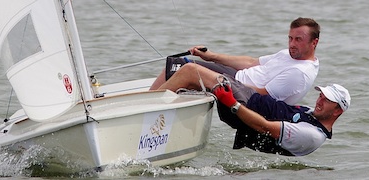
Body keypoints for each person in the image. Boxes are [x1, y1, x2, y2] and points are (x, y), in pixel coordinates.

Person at [150, 17, 320, 105]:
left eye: (298, 39)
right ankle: (150, 101)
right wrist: (211, 56)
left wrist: (221, 81)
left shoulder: (299, 73)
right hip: (237, 78)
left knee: (188, 69)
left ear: (314, 42)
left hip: (248, 94)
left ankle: (149, 107)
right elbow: (251, 62)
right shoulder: (287, 54)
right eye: (290, 38)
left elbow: (263, 95)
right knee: (176, 64)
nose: (292, 44)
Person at [212, 80, 350, 157]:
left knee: (204, 75)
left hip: (244, 110)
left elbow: (264, 127)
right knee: (212, 71)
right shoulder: (310, 113)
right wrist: (239, 82)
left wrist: (233, 104)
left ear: (337, 111)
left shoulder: (312, 135)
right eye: (320, 96)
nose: (319, 102)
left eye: (327, 100)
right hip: (251, 100)